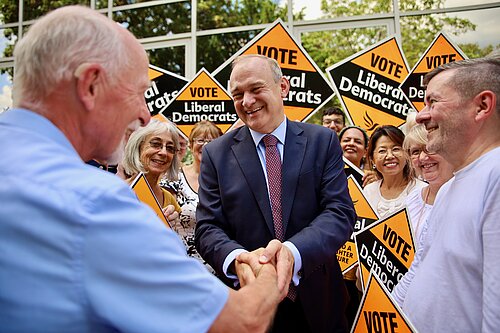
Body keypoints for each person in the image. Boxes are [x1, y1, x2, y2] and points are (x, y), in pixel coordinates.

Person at [0, 6, 290, 332]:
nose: (144, 114)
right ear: (91, 85)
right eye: (139, 92)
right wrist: (267, 274)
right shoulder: (94, 204)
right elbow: (243, 322)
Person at [195, 54, 356, 333]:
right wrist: (238, 260)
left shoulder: (322, 141)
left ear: (283, 87)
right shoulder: (215, 154)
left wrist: (293, 253)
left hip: (319, 303)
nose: (246, 102)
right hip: (252, 308)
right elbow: (207, 227)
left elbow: (339, 212)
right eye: (237, 94)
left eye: (256, 89)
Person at [400, 56, 500, 332]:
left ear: (482, 106)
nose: (421, 115)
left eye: (433, 102)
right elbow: (421, 264)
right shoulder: (450, 188)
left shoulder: (496, 176)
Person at [160, 120, 223, 271]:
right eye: (200, 140)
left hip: (220, 265)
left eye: (212, 141)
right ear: (190, 145)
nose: (206, 145)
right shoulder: (174, 178)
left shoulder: (228, 180)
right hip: (181, 265)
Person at [120, 119, 182, 223]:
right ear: (138, 146)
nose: (163, 152)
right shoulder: (118, 192)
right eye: (156, 144)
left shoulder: (168, 199)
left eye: (170, 148)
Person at [401, 124, 454, 241]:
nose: (423, 157)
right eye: (415, 152)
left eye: (430, 148)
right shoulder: (412, 200)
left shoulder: (469, 194)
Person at [363, 125, 426, 218]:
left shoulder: (422, 190)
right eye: (382, 151)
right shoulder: (369, 192)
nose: (389, 156)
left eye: (396, 149)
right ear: (372, 159)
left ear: (406, 154)